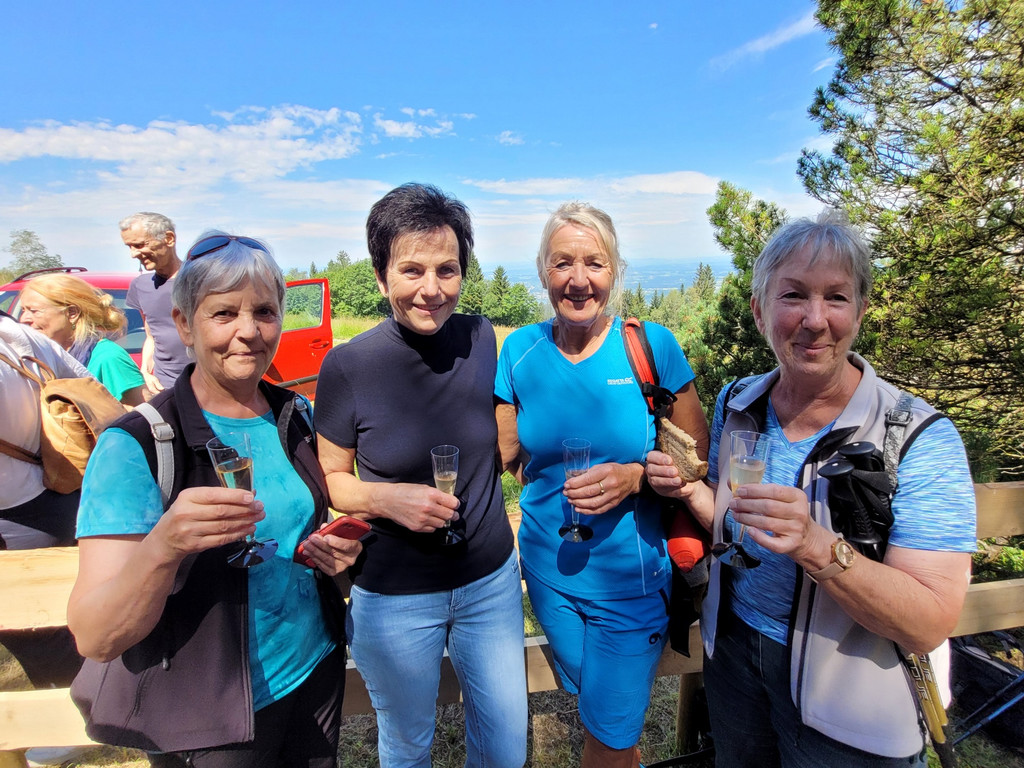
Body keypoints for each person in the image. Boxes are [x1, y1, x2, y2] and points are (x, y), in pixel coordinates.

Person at [645, 210, 977, 767]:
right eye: (793, 294)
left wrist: (815, 545)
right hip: (734, 661)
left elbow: (930, 621)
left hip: (851, 700)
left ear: (861, 310)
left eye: (837, 297)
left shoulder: (917, 436)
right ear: (759, 310)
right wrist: (686, 490)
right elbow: (735, 521)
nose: (815, 319)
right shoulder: (739, 403)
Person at [67, 232, 360, 767]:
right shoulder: (138, 444)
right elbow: (95, 634)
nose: (248, 332)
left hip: (313, 669)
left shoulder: (294, 416)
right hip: (209, 711)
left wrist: (336, 558)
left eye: (265, 312)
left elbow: (297, 535)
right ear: (183, 324)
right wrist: (164, 545)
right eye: (224, 313)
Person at [315, 183, 527, 768]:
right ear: (381, 276)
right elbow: (332, 478)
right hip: (395, 595)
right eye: (411, 270)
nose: (431, 290)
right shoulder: (349, 365)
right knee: (409, 745)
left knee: (506, 746)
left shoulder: (484, 339)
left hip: (488, 580)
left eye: (447, 270)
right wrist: (388, 500)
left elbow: (518, 426)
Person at [494, 201, 709, 768]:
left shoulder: (650, 345)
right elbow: (504, 455)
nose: (579, 279)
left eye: (595, 262)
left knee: (611, 735)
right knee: (601, 717)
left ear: (616, 271)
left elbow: (697, 457)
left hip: (631, 582)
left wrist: (638, 476)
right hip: (546, 573)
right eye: (563, 262)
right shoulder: (519, 350)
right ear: (543, 272)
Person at [19, 272, 146, 405]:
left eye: (34, 311)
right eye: (23, 310)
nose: (23, 319)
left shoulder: (108, 358)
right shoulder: (37, 358)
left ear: (72, 313)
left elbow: (143, 417)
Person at [120, 211, 190, 394]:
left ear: (169, 239)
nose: (133, 254)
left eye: (139, 245)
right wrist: (145, 371)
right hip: (165, 388)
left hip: (208, 388)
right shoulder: (140, 286)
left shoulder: (202, 281)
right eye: (129, 246)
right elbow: (151, 335)